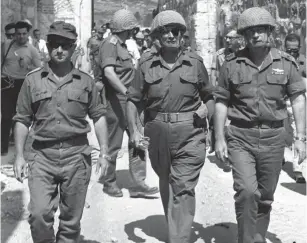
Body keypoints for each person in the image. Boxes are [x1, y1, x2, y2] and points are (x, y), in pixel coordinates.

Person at [214, 7, 306, 243]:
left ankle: (257, 237)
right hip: (240, 136)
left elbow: (297, 99)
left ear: (269, 32)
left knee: (265, 196)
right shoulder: (231, 64)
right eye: (250, 31)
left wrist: (300, 138)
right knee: (246, 192)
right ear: (244, 35)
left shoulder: (286, 63)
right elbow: (221, 101)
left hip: (274, 137)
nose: (255, 35)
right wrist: (219, 138)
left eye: (260, 30)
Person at [13, 21, 110, 243]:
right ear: (47, 46)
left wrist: (104, 151)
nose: (59, 50)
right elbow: (21, 119)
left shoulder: (86, 82)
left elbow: (98, 116)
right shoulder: (32, 80)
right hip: (42, 156)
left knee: (70, 221)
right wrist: (19, 156)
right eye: (55, 44)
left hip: (76, 156)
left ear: (74, 48)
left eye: (65, 45)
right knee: (39, 215)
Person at [127, 10, 214, 243]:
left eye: (176, 31)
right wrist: (134, 131)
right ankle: (175, 228)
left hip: (190, 132)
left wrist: (208, 111)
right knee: (166, 180)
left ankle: (179, 238)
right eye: (166, 31)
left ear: (182, 35)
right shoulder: (145, 64)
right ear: (157, 36)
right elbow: (133, 100)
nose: (172, 35)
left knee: (183, 186)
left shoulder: (195, 62)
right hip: (156, 131)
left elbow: (209, 95)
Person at [97, 9, 158, 198]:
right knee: (113, 143)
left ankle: (139, 184)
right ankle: (108, 182)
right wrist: (126, 92)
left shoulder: (123, 45)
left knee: (137, 139)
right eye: (131, 28)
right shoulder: (110, 44)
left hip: (131, 101)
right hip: (116, 101)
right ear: (126, 28)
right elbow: (109, 73)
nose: (133, 31)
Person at [1, 20, 41, 155]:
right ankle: (3, 148)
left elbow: (40, 69)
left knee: (22, 116)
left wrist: (28, 67)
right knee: (6, 116)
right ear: (15, 34)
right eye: (18, 34)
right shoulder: (6, 45)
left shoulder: (32, 50)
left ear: (28, 34)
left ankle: (21, 145)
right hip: (7, 84)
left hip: (23, 85)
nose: (21, 37)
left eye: (24, 34)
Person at [283, 33, 306, 183]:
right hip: (279, 102)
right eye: (289, 50)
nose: (292, 53)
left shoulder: (304, 62)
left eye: (295, 50)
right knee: (282, 132)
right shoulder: (276, 60)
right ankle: (279, 157)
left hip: (296, 102)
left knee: (299, 133)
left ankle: (298, 169)